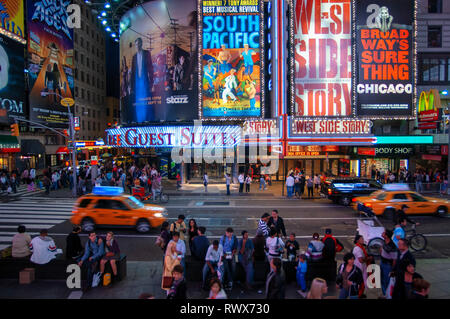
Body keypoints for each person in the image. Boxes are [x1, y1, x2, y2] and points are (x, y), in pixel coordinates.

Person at [130, 37, 154, 122]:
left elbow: (151, 68)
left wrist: (151, 82)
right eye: (136, 44)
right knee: (138, 102)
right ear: (135, 45)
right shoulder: (134, 57)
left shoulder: (147, 53)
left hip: (145, 81)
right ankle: (139, 120)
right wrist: (131, 87)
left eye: (139, 44)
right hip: (137, 82)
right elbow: (132, 72)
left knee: (146, 101)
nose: (138, 46)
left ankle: (147, 120)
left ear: (141, 44)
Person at [380, 229, 398, 296]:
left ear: (387, 236)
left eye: (384, 233)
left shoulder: (392, 246)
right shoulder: (384, 241)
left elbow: (394, 260)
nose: (382, 233)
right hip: (383, 262)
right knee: (382, 279)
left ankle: (387, 295)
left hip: (387, 265)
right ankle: (385, 293)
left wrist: (393, 270)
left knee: (387, 280)